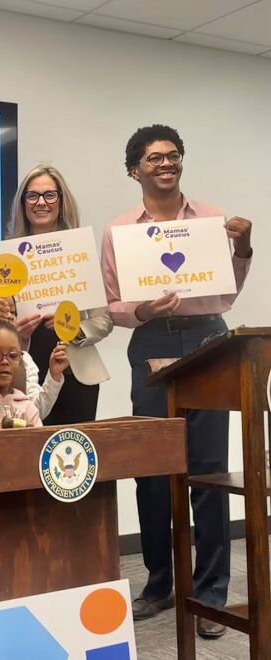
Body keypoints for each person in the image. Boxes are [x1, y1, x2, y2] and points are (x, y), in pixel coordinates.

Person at [100, 124, 252, 639]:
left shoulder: (211, 219)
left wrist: (245, 246)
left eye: (173, 155)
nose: (165, 163)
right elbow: (116, 305)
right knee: (151, 470)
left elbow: (227, 295)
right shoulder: (121, 230)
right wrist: (143, 308)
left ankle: (210, 593)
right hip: (151, 344)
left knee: (208, 473)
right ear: (134, 170)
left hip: (210, 342)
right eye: (153, 158)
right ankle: (159, 584)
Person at [7, 165, 112, 424]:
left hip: (77, 375)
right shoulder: (7, 258)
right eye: (32, 196)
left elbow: (104, 320)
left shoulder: (80, 252)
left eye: (49, 195)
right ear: (23, 203)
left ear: (61, 201)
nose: (40, 202)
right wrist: (15, 333)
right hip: (25, 373)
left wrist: (75, 328)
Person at [0, 284, 64, 420]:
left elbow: (35, 410)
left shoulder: (25, 359)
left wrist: (54, 375)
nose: (8, 316)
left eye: (12, 311)